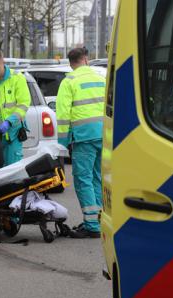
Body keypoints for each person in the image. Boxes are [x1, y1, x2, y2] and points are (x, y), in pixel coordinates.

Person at [56, 48, 105, 238]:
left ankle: (92, 225)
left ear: (70, 63)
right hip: (104, 136)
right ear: (86, 59)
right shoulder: (101, 79)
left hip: (84, 138)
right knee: (96, 179)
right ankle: (99, 221)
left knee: (83, 180)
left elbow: (62, 115)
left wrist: (63, 142)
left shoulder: (69, 81)